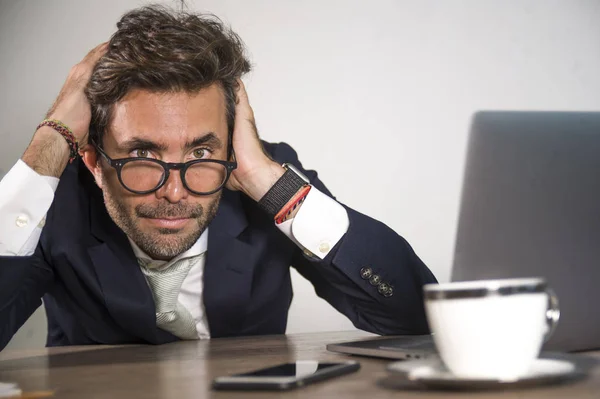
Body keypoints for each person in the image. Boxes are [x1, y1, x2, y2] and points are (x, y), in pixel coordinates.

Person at [0, 5, 436, 350]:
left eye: (201, 152)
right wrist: (50, 142)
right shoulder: (53, 196)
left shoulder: (270, 185)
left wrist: (266, 179)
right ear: (95, 161)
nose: (174, 192)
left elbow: (417, 316)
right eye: (142, 154)